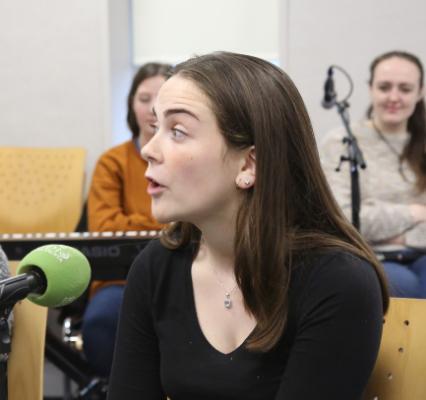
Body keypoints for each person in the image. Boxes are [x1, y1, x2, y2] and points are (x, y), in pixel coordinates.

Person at [107, 52, 389, 400]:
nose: (148, 150)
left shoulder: (337, 282)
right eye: (155, 127)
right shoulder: (157, 266)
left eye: (177, 131)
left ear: (249, 165)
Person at [82, 62, 172, 377]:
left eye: (162, 99)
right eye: (144, 99)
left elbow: (198, 224)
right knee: (103, 322)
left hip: (182, 271)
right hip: (118, 278)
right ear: (131, 105)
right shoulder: (112, 162)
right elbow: (105, 230)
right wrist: (166, 223)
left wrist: (133, 221)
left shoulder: (188, 160)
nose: (153, 109)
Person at [321, 50, 426, 298]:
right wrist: (414, 212)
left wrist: (403, 237)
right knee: (404, 287)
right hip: (369, 257)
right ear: (370, 89)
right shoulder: (341, 143)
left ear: (420, 92)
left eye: (405, 89)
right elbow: (342, 217)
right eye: (384, 87)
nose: (394, 97)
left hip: (421, 255)